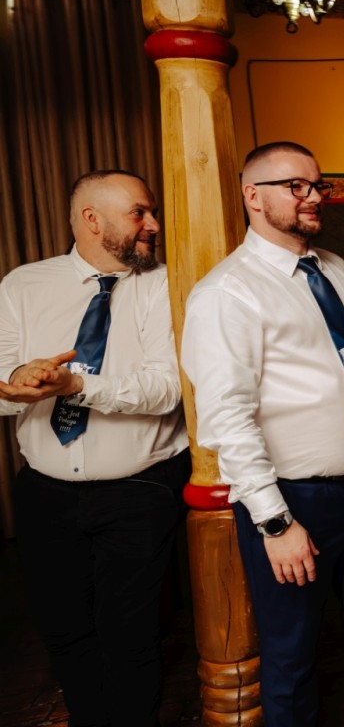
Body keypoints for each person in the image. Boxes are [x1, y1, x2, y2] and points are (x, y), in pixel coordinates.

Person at [180, 142, 344, 727]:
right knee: (293, 659)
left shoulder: (336, 269)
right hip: (293, 500)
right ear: (252, 196)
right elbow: (227, 418)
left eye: (318, 185)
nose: (313, 197)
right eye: (296, 186)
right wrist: (276, 523)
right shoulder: (226, 292)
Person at [0, 170, 189, 727]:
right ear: (92, 219)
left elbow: (167, 389)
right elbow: (3, 379)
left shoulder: (167, 285)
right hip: (45, 492)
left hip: (140, 488)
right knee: (63, 629)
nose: (153, 225)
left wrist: (76, 386)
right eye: (139, 213)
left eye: (152, 212)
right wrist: (19, 381)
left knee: (130, 632)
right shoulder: (23, 284)